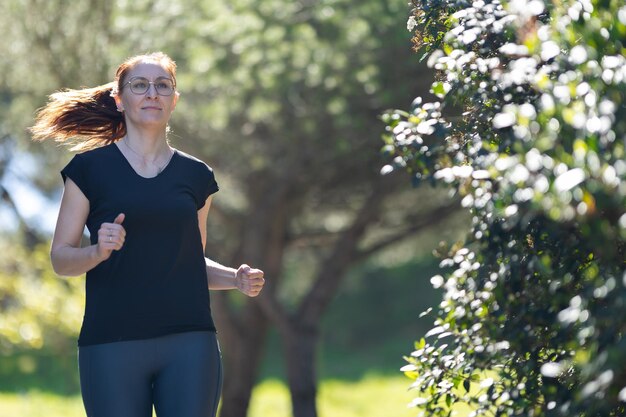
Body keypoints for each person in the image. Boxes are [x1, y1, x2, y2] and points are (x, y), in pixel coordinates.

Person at [30, 52, 265, 417]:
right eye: (140, 85)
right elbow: (61, 258)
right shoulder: (88, 170)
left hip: (191, 342)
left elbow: (191, 262)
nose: (152, 93)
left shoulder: (197, 176)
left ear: (175, 99)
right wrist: (97, 251)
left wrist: (235, 278)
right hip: (111, 344)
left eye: (163, 85)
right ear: (120, 100)